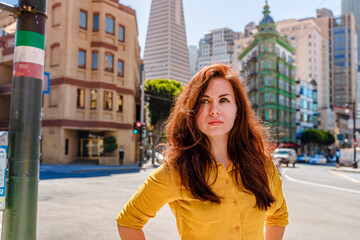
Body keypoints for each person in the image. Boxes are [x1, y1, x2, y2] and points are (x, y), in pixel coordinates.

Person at [116, 64, 288, 239]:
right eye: (204, 101)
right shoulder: (176, 171)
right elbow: (128, 222)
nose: (214, 110)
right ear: (192, 111)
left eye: (224, 100)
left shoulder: (262, 164)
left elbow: (278, 215)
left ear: (237, 110)